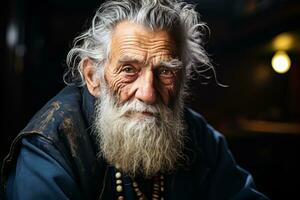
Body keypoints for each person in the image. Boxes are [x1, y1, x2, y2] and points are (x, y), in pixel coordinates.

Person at [1, 0, 269, 199]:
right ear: (93, 77)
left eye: (165, 71)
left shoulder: (198, 136)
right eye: (129, 69)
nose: (148, 93)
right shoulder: (49, 145)